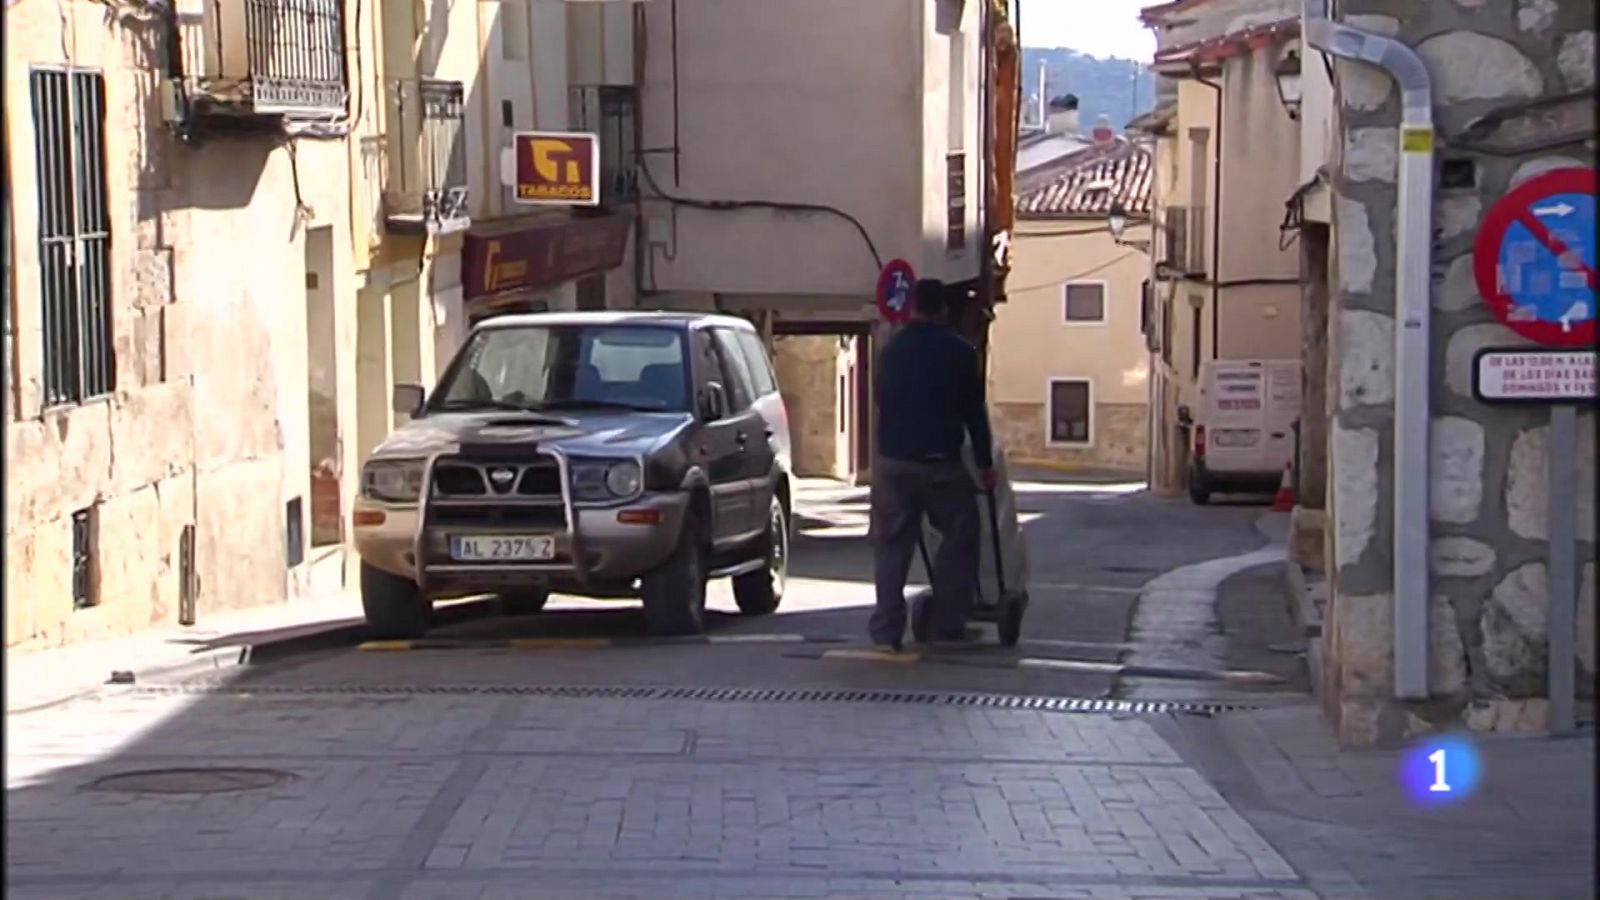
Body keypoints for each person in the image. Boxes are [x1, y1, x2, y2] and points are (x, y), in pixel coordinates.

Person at [870, 278, 997, 651]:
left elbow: (882, 403)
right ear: (943, 309)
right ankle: (948, 619)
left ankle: (887, 629)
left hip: (894, 462)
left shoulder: (892, 351)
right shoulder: (960, 353)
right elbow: (975, 414)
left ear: (912, 308)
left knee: (892, 546)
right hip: (940, 463)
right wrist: (986, 464)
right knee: (961, 532)